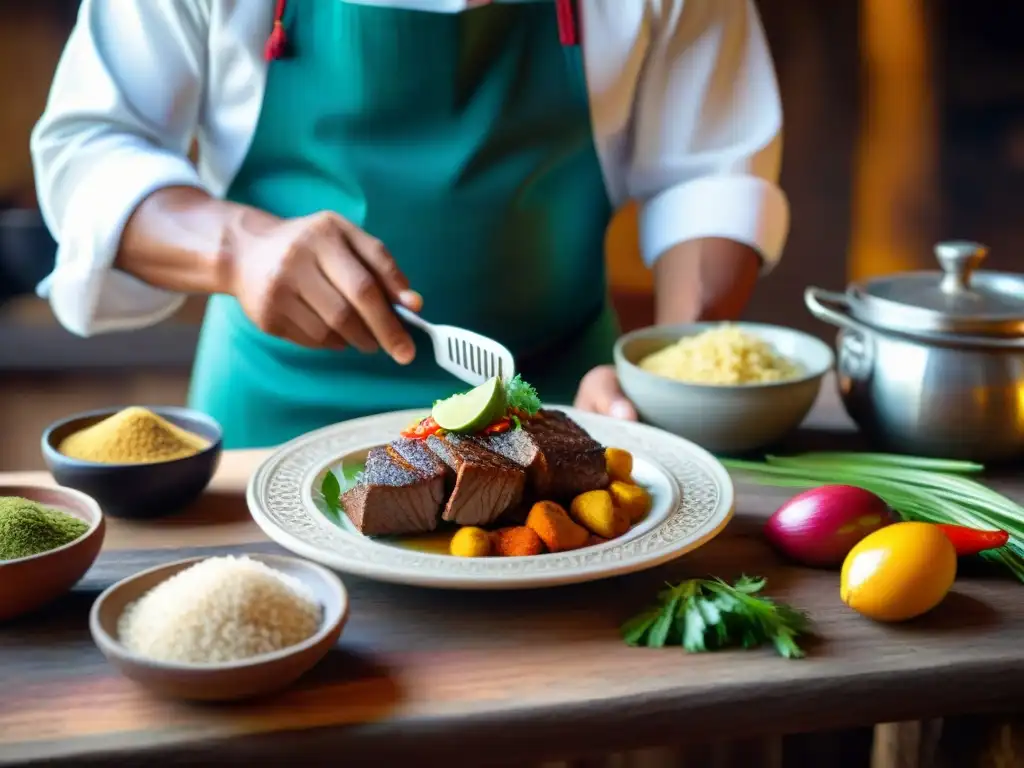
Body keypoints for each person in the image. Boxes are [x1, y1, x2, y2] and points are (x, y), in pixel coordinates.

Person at [32, 0, 788, 449]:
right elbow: (89, 149)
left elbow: (710, 174)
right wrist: (239, 248)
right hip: (270, 427)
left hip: (561, 420)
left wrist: (666, 379)